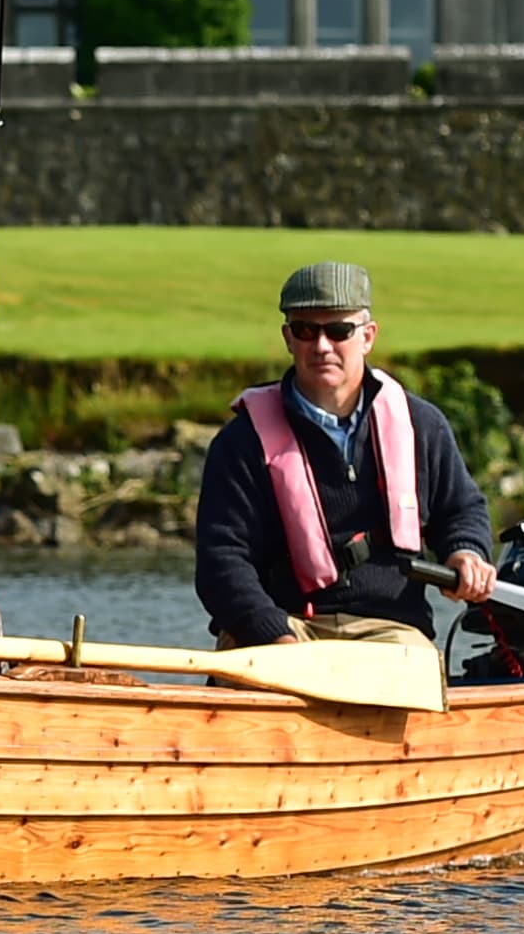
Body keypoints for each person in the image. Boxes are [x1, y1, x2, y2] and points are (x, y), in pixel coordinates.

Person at [194, 258, 499, 648]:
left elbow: (462, 509)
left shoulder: (422, 424)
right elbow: (222, 562)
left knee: (409, 674)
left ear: (368, 336)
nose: (321, 346)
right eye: (306, 330)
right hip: (282, 625)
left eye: (339, 330)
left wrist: (466, 552)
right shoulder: (241, 442)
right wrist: (275, 635)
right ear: (288, 338)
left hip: (391, 630)